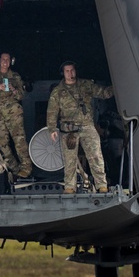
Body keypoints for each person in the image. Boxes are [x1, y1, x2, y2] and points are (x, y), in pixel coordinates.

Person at [47, 61, 115, 194]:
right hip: (69, 130)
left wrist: (117, 86)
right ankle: (69, 187)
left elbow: (103, 93)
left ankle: (101, 185)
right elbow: (52, 111)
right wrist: (52, 128)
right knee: (69, 160)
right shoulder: (58, 91)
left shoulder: (86, 85)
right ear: (63, 73)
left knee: (95, 156)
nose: (70, 73)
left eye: (72, 70)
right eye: (67, 71)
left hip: (87, 126)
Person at [0, 51, 32, 182]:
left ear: (11, 62)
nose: (5, 62)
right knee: (3, 145)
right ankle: (15, 170)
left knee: (20, 141)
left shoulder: (15, 76)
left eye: (8, 59)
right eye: (3, 59)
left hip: (14, 114)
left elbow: (22, 95)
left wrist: (14, 90)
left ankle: (26, 169)